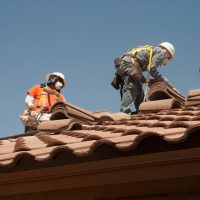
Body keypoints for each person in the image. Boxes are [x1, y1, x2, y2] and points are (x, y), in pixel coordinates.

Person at [112, 42, 175, 114]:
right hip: (129, 64)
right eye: (168, 57)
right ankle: (124, 112)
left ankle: (140, 110)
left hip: (126, 64)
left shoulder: (153, 51)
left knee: (138, 88)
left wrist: (150, 81)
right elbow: (151, 68)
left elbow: (143, 74)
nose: (167, 59)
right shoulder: (160, 52)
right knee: (132, 86)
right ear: (166, 52)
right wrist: (162, 79)